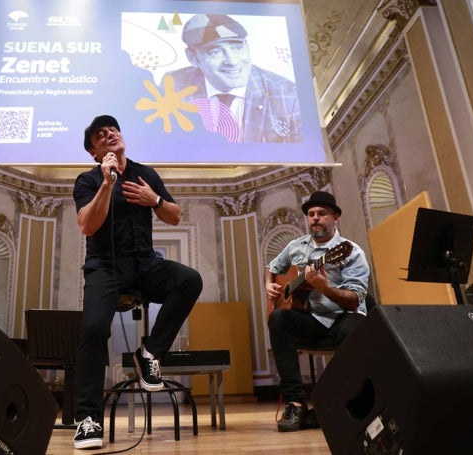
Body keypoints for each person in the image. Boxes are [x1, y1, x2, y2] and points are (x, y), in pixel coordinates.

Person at [71, 115, 203, 449]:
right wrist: (107, 184)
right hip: (105, 266)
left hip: (144, 262)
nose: (110, 133)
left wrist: (154, 200)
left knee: (189, 280)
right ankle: (87, 418)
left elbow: (174, 216)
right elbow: (87, 226)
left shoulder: (146, 174)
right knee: (94, 330)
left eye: (113, 129)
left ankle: (150, 353)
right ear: (94, 151)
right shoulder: (87, 180)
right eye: (101, 134)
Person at [264, 191, 370, 432]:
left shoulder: (350, 251)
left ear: (336, 217)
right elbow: (271, 267)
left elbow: (354, 301)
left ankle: (336, 403)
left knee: (356, 328)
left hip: (344, 317)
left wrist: (325, 287)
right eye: (311, 214)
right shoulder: (295, 246)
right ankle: (295, 402)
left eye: (322, 213)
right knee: (278, 317)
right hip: (312, 320)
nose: (315, 218)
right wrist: (269, 284)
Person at [162, 13, 303, 143]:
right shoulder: (173, 84)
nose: (233, 62)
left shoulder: (289, 97)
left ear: (247, 47)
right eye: (215, 51)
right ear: (193, 58)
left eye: (237, 47)